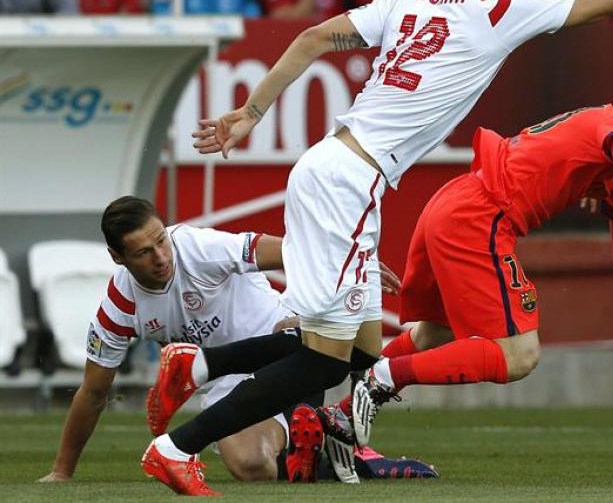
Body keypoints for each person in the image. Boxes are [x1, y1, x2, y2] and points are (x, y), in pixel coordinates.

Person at [142, 0, 613, 495]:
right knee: (325, 358)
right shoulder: (501, 9)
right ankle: (177, 447)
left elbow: (309, 37)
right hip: (349, 181)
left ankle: (201, 367)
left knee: (361, 347)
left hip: (338, 167)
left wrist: (251, 113)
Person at [350, 77, 613, 447]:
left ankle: (338, 415)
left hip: (455, 204)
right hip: (480, 215)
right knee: (519, 355)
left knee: (435, 334)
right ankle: (382, 376)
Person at [37, 196, 424, 487]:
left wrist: (352, 261)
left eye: (161, 240)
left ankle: (315, 432)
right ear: (117, 258)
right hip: (227, 383)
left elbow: (287, 252)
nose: (160, 256)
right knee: (250, 466)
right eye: (143, 252)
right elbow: (93, 392)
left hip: (285, 352)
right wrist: (61, 471)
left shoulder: (194, 247)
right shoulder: (119, 308)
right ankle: (328, 452)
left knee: (315, 333)